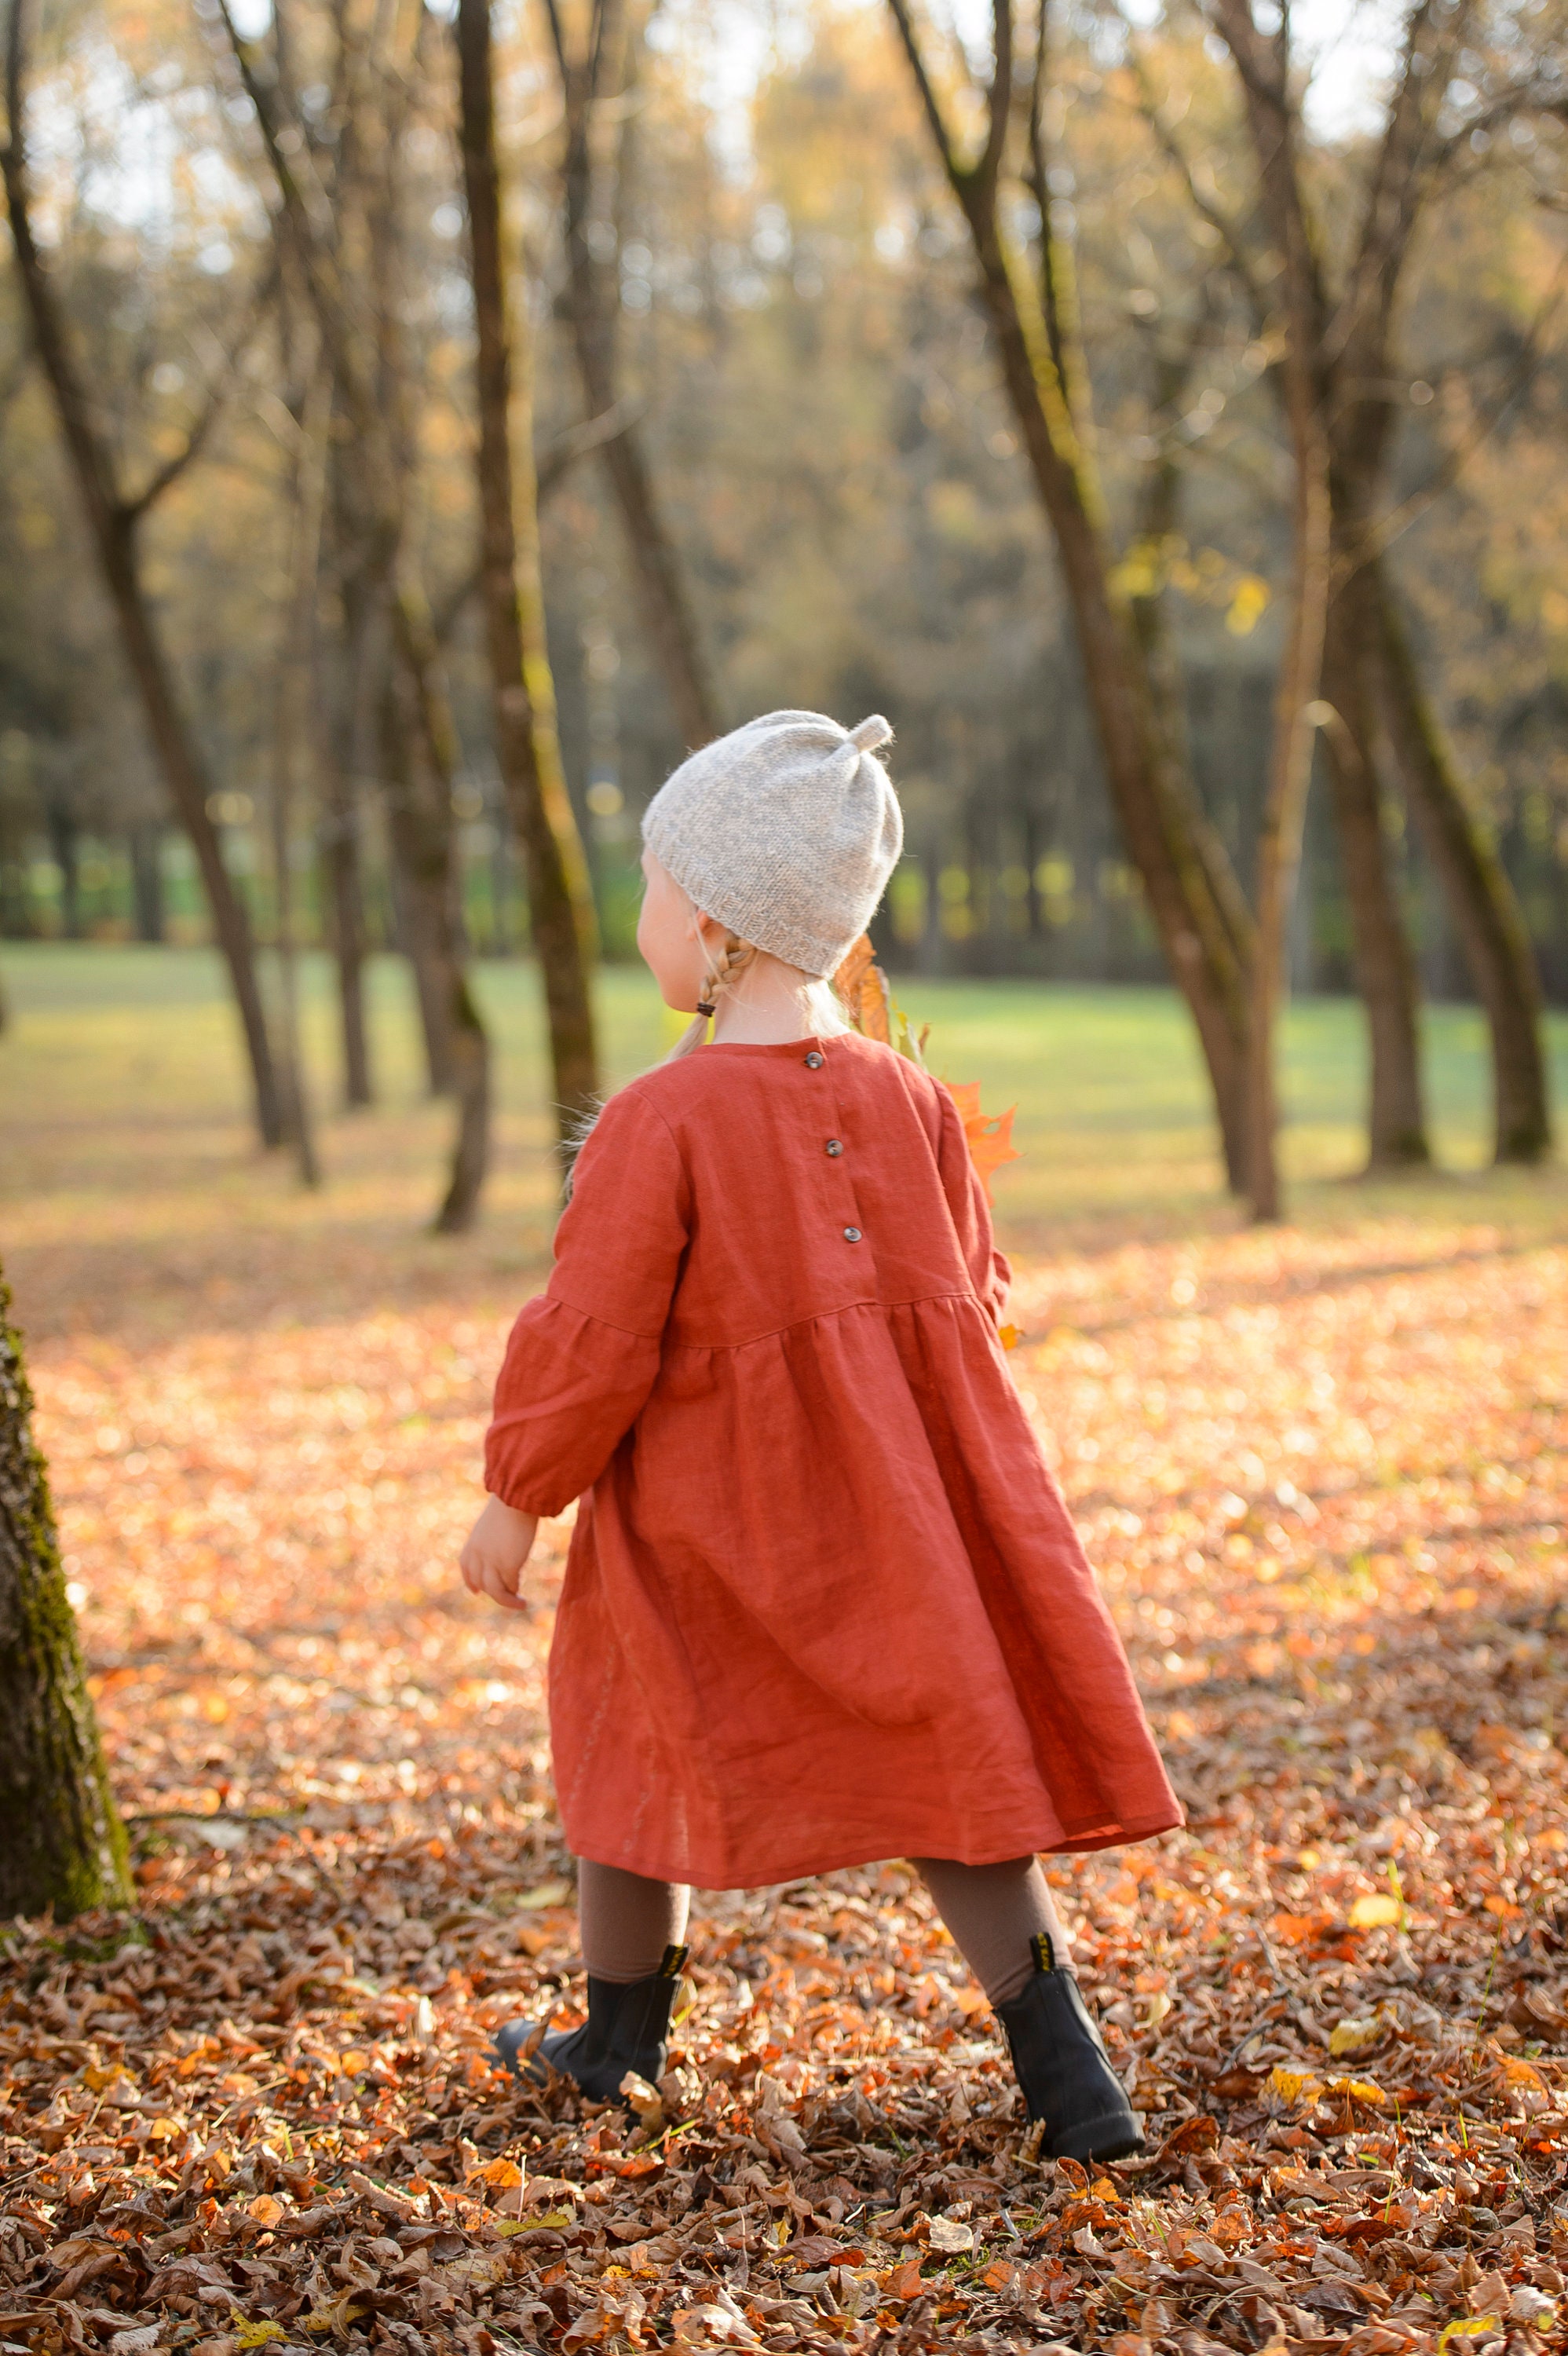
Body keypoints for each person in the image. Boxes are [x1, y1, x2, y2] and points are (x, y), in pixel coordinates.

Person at [459, 710, 1181, 2161]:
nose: (643, 919)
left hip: (708, 1530)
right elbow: (970, 1292)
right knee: (959, 1774)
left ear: (717, 925)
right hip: (910, 1518)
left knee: (627, 1722)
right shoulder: (909, 1096)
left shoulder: (656, 1125)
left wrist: (516, 1496)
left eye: (657, 891)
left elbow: (591, 1335)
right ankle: (1069, 2080)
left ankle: (618, 2044)